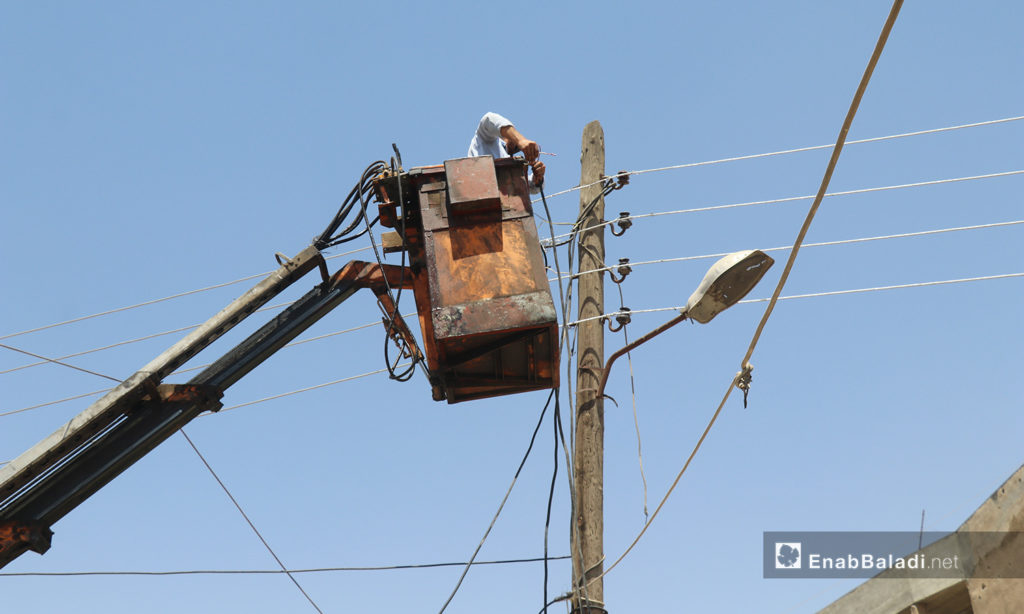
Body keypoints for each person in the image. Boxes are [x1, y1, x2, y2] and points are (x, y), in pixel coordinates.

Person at [467, 112, 546, 188]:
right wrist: (520, 140)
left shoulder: (506, 157)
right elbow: (488, 119)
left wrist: (537, 178)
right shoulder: (485, 139)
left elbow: (529, 186)